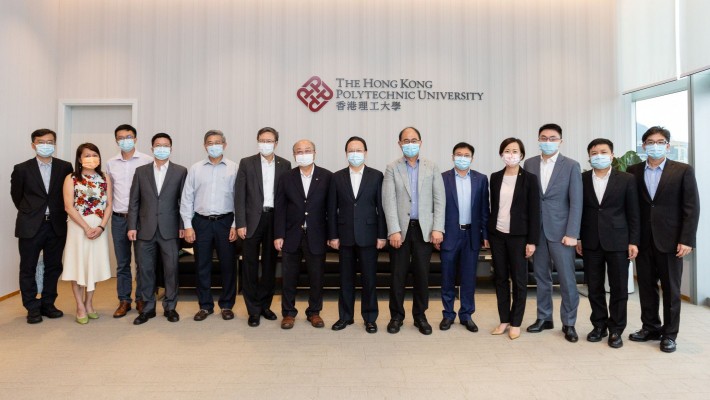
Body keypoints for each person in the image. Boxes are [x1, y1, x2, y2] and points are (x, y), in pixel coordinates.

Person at [627, 126, 699, 353]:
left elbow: (691, 207)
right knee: (646, 287)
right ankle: (650, 327)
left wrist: (687, 239)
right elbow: (633, 209)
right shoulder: (633, 171)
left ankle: (669, 334)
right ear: (644, 145)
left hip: (671, 241)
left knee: (671, 290)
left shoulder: (683, 170)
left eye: (660, 142)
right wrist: (633, 239)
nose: (655, 145)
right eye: (650, 141)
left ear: (667, 146)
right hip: (643, 241)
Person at [576, 138, 640, 349]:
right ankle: (599, 325)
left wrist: (633, 241)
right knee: (594, 287)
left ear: (612, 155)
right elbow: (578, 211)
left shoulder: (627, 179)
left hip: (619, 241)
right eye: (594, 152)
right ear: (589, 156)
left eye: (603, 152)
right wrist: (578, 237)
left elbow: (634, 212)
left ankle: (616, 329)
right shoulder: (582, 179)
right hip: (591, 241)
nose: (599, 155)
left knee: (619, 288)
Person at [382, 126, 445, 335]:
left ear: (421, 142)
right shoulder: (392, 168)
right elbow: (388, 201)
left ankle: (420, 316)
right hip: (400, 230)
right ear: (399, 144)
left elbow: (439, 200)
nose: (410, 144)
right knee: (397, 276)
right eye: (406, 140)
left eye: (414, 140)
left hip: (424, 230)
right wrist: (393, 230)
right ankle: (396, 317)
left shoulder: (431, 167)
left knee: (422, 276)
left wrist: (437, 228)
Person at [523, 123, 583, 342]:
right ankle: (544, 318)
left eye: (552, 138)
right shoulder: (529, 163)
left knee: (567, 279)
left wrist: (573, 233)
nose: (547, 141)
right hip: (536, 231)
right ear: (538, 139)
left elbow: (577, 202)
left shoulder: (571, 165)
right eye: (543, 137)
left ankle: (569, 323)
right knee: (541, 278)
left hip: (562, 233)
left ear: (561, 141)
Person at [11, 129, 73, 324]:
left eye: (50, 141)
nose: (46, 145)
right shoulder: (21, 169)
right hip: (30, 225)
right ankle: (31, 306)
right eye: (41, 141)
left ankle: (48, 303)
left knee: (54, 266)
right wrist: (32, 212)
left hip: (56, 225)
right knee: (27, 267)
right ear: (33, 145)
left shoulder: (65, 167)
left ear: (55, 144)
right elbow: (17, 197)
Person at [327, 136, 387, 333]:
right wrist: (333, 235)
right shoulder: (336, 177)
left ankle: (370, 318)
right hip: (344, 236)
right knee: (345, 279)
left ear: (366, 153)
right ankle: (345, 317)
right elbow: (331, 209)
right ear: (346, 154)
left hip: (369, 236)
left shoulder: (377, 176)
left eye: (359, 150)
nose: (355, 154)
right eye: (351, 151)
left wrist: (381, 235)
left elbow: (381, 207)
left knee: (369, 279)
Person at [127, 133, 188, 325]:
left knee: (171, 269)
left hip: (170, 230)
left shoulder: (180, 171)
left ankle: (170, 307)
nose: (162, 148)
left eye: (165, 145)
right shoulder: (141, 171)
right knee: (145, 270)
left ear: (171, 148)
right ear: (152, 148)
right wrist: (131, 226)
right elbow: (134, 201)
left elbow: (183, 202)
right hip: (145, 229)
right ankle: (147, 308)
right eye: (158, 145)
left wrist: (182, 226)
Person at [235, 127, 291, 327]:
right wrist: (240, 222)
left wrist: (282, 227)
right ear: (257, 141)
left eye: (269, 140)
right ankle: (253, 310)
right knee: (249, 265)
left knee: (269, 265)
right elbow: (239, 195)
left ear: (276, 143)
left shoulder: (285, 164)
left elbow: (285, 198)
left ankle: (265, 305)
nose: (265, 143)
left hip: (274, 220)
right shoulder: (246, 163)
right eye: (262, 140)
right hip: (251, 222)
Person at [180, 130, 239, 322]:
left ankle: (227, 305)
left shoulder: (234, 168)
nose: (214, 145)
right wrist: (188, 225)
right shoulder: (196, 168)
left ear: (225, 144)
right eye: (210, 142)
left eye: (218, 142)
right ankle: (205, 305)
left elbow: (241, 199)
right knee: (202, 265)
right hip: (201, 222)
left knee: (228, 265)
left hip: (226, 222)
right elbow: (187, 198)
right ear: (205, 145)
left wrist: (236, 224)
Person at [274, 139, 333, 330]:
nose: (303, 154)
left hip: (317, 235)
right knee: (289, 277)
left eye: (307, 150)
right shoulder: (286, 177)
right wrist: (278, 234)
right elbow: (280, 208)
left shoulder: (326, 176)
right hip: (291, 235)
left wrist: (332, 235)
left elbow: (331, 210)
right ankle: (288, 313)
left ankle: (314, 312)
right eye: (299, 151)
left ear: (314, 153)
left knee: (316, 277)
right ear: (294, 155)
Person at [489, 138, 540, 340]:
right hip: (497, 235)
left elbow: (535, 212)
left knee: (519, 280)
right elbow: (493, 207)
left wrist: (532, 241)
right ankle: (504, 320)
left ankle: (516, 322)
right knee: (500, 278)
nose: (511, 154)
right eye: (507, 150)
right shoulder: (494, 177)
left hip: (519, 237)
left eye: (515, 151)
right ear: (501, 154)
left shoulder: (529, 178)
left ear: (521, 155)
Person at [438, 142, 489, 333]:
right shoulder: (443, 178)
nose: (462, 158)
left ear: (472, 158)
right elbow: (437, 207)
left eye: (466, 155)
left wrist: (485, 233)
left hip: (472, 235)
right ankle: (448, 314)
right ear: (452, 157)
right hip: (449, 234)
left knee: (469, 278)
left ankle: (466, 315)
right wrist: (438, 231)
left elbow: (485, 208)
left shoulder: (481, 179)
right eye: (458, 154)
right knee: (448, 276)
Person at [61, 143, 113, 324]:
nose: (91, 158)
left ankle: (89, 303)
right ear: (79, 159)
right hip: (78, 227)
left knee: (93, 265)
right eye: (87, 155)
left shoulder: (105, 177)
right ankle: (79, 306)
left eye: (94, 154)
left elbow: (109, 205)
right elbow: (68, 206)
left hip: (98, 227)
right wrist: (85, 227)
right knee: (78, 265)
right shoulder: (71, 178)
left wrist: (101, 227)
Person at [106, 124, 153, 318]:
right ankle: (124, 300)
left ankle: (141, 298)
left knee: (142, 262)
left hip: (142, 219)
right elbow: (109, 193)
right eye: (121, 137)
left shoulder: (147, 160)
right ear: (116, 140)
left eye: (129, 136)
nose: (125, 140)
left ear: (135, 139)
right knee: (122, 263)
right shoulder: (110, 163)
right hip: (119, 218)